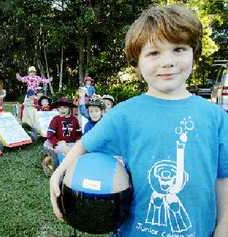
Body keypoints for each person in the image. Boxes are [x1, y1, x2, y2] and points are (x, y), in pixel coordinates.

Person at [50, 4, 228, 237]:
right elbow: (86, 143)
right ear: (137, 63)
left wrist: (224, 225)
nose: (168, 62)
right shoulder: (124, 114)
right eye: (154, 53)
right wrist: (59, 172)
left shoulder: (215, 117)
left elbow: (223, 178)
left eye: (179, 49)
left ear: (194, 53)